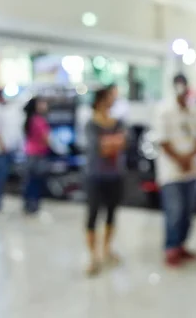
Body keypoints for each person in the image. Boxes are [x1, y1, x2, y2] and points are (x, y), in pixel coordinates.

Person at [155, 74, 196, 267]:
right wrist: (179, 159)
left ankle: (182, 245)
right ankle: (171, 247)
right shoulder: (164, 110)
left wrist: (190, 157)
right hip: (171, 171)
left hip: (191, 169)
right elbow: (163, 140)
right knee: (174, 211)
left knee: (188, 211)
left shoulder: (193, 110)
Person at [84, 88, 127, 276]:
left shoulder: (117, 122)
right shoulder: (91, 124)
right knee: (93, 214)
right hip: (95, 176)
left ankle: (106, 249)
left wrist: (110, 143)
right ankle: (93, 256)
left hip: (114, 175)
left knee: (111, 213)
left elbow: (123, 142)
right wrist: (112, 143)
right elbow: (100, 148)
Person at [22, 97, 50, 214]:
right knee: (36, 181)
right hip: (38, 155)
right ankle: (33, 206)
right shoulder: (39, 121)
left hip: (29, 153)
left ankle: (28, 205)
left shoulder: (30, 119)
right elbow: (45, 138)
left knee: (30, 181)